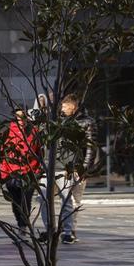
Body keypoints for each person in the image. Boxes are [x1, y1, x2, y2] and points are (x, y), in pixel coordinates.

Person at [42, 94, 95, 245]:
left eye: (65, 106)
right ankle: (50, 230)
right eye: (61, 105)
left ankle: (68, 231)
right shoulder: (54, 122)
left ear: (73, 107)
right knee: (45, 200)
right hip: (49, 167)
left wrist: (83, 168)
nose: (62, 108)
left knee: (67, 201)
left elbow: (89, 148)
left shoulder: (79, 124)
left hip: (67, 168)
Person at [0, 106, 40, 231]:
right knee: (16, 202)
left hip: (29, 172)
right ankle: (20, 222)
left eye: (23, 117)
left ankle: (24, 225)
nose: (21, 120)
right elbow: (2, 153)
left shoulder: (34, 131)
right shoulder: (7, 131)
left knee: (26, 201)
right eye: (18, 118)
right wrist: (4, 173)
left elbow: (39, 152)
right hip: (12, 172)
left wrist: (37, 170)